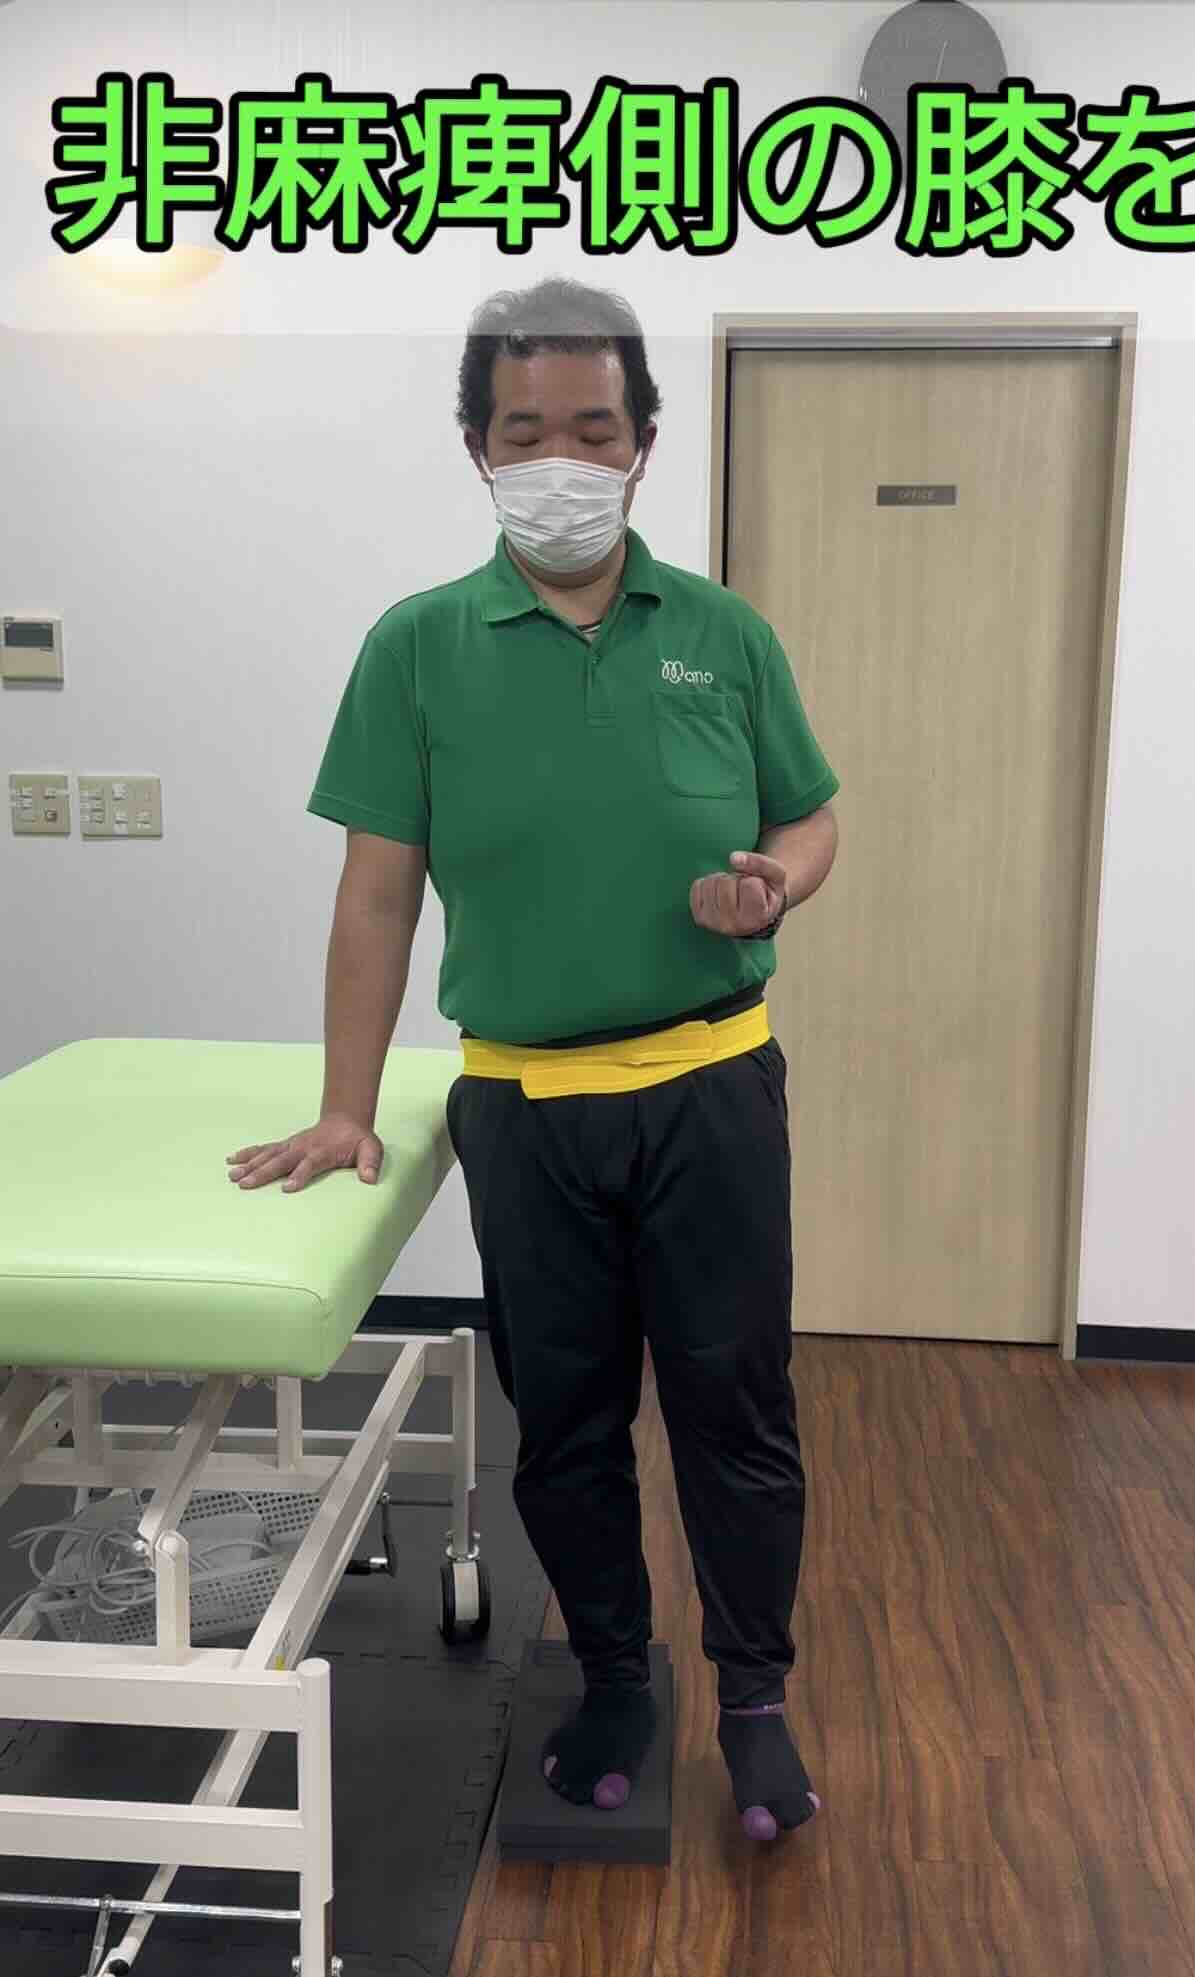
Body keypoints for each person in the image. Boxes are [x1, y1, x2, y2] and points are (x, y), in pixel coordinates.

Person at [227, 278, 840, 1843]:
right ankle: (615, 1678)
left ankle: (754, 1698)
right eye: (523, 432)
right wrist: (345, 1108)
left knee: (734, 1410)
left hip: (711, 1089)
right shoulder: (418, 646)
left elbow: (809, 811)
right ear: (477, 449)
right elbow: (376, 894)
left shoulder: (723, 633)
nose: (559, 459)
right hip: (527, 1104)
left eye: (591, 428)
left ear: (641, 445)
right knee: (562, 1424)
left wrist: (776, 883)